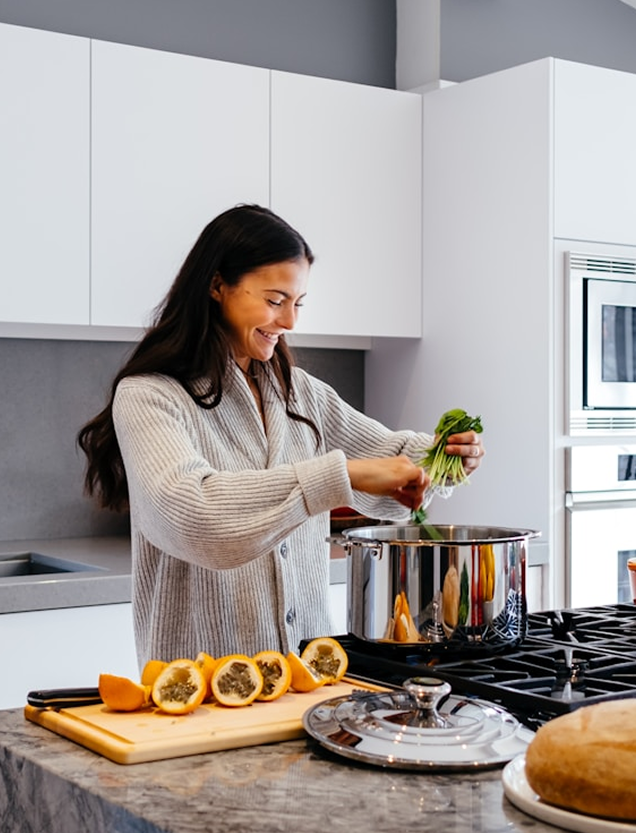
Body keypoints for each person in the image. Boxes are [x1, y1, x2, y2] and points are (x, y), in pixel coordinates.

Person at [78, 204, 483, 666]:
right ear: (216, 286)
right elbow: (193, 514)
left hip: (310, 678)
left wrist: (445, 457)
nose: (290, 321)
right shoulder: (150, 396)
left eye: (298, 303)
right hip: (200, 689)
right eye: (274, 300)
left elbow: (389, 458)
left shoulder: (300, 393)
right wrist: (338, 476)